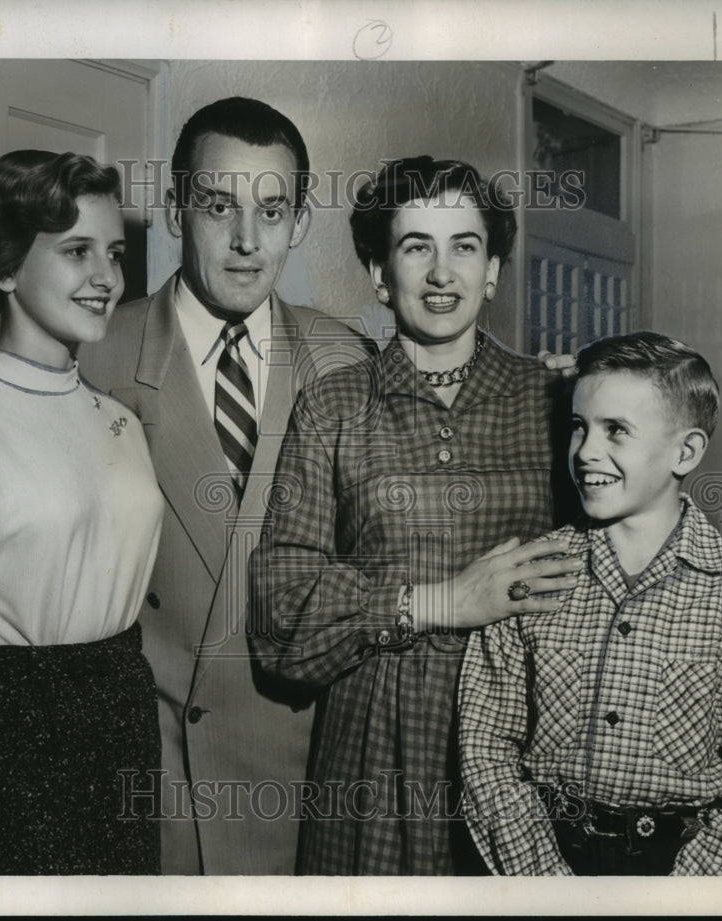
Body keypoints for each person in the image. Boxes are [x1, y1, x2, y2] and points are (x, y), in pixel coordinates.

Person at [0, 98, 375, 875]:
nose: (248, 241)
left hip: (300, 790)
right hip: (141, 787)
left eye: (273, 208)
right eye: (219, 205)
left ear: (299, 220)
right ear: (177, 205)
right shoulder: (89, 345)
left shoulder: (345, 360)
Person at [248, 156, 587, 875]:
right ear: (378, 273)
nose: (442, 273)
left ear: (492, 269)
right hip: (376, 753)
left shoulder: (556, 401)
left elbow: (641, 545)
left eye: (465, 246)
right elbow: (278, 618)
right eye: (415, 247)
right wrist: (441, 601)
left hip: (527, 744)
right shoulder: (334, 407)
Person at [0, 150, 165, 874]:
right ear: (6, 268)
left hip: (122, 736)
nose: (107, 277)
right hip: (15, 753)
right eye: (76, 251)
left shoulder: (121, 421)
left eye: (114, 252)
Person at [458, 332, 722, 875]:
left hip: (682, 870)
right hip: (545, 860)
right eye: (579, 427)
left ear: (686, 451)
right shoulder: (531, 573)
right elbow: (486, 746)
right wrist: (545, 887)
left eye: (617, 430)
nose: (586, 450)